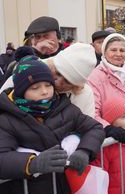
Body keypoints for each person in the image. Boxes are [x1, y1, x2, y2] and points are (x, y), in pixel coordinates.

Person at [0, 56, 105, 194]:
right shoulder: (7, 119)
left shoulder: (65, 108)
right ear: (21, 91)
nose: (44, 91)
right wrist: (32, 163)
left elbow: (95, 127)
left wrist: (84, 151)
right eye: (35, 87)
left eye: (48, 85)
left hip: (63, 186)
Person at [0, 43, 97, 118]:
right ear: (52, 64)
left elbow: (86, 125)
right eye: (58, 73)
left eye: (67, 81)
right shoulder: (28, 71)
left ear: (76, 86)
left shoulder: (84, 94)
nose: (58, 82)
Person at [88, 33, 125, 143]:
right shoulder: (95, 77)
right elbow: (92, 112)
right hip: (110, 137)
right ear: (104, 52)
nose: (118, 54)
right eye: (113, 50)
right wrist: (107, 128)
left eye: (122, 50)